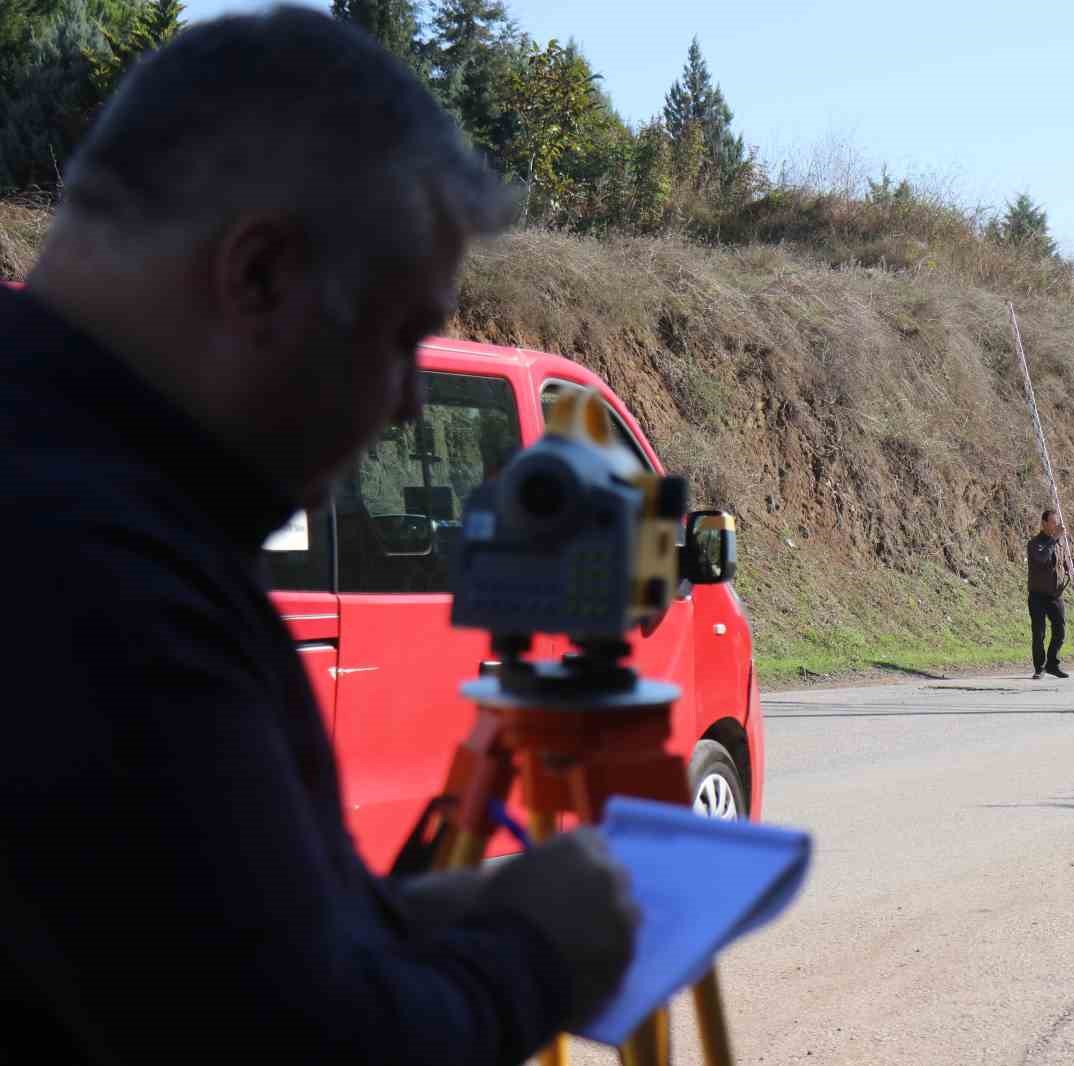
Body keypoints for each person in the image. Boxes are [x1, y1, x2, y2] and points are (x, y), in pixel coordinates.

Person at [0, 9, 638, 1064]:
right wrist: (532, 950)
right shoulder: (106, 578)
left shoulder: (82, 493)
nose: (401, 408)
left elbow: (179, 956)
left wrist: (391, 922)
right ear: (257, 276)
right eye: (400, 339)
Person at [1026, 510, 1072, 680]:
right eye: (1053, 522)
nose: (1056, 525)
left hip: (1055, 594)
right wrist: (1054, 539)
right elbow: (1042, 558)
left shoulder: (1062, 542)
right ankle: (1040, 667)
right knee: (1039, 632)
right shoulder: (1035, 543)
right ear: (1044, 523)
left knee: (1060, 630)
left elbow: (1068, 562)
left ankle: (1053, 663)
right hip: (1037, 595)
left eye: (1057, 522)